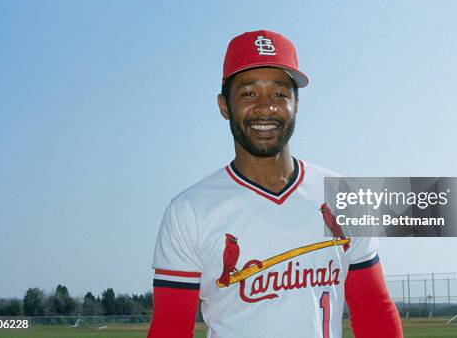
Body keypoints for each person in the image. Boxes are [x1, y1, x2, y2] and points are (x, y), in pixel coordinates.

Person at [148, 30, 402, 337]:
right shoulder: (189, 211)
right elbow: (170, 328)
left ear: (297, 103)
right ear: (224, 106)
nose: (266, 107)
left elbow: (373, 310)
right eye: (249, 93)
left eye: (280, 94)